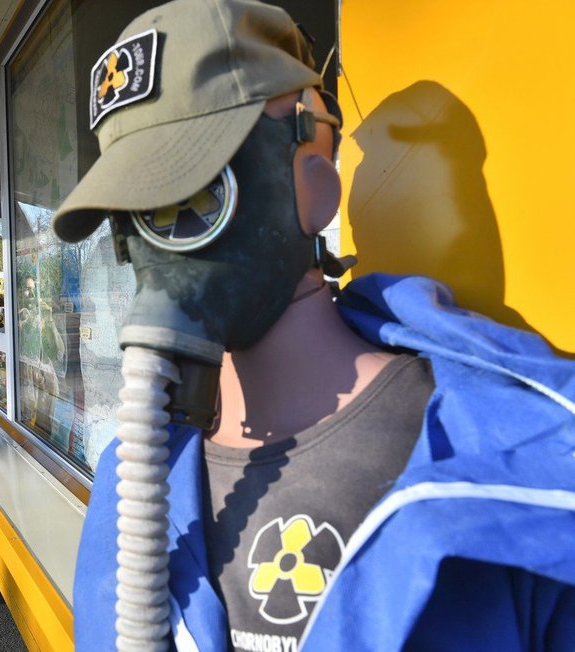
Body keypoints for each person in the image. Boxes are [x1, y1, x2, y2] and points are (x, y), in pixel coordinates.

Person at [50, 0, 575, 650]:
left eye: (194, 192)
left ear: (315, 182)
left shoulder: (516, 474)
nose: (156, 239)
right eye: (135, 206)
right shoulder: (130, 486)